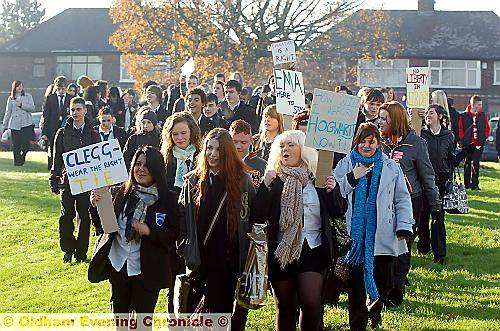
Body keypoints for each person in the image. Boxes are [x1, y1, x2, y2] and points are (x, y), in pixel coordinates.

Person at [251, 130, 347, 331]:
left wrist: (333, 191)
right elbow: (258, 215)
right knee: (285, 306)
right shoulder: (274, 179)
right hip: (282, 251)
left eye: (291, 145)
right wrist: (265, 186)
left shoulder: (318, 179)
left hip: (313, 249)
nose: (285, 149)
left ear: (303, 150)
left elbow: (338, 211)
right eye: (282, 146)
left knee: (311, 303)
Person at [334, 122, 414, 330]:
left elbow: (402, 199)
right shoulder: (345, 164)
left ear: (379, 143)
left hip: (383, 235)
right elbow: (334, 194)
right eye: (363, 141)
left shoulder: (390, 167)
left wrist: (404, 226)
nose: (367, 146)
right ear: (356, 143)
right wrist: (353, 176)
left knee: (381, 282)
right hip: (356, 238)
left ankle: (375, 313)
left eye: (372, 141)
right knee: (356, 286)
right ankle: (357, 324)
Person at [89, 146, 179, 319]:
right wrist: (96, 206)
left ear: (157, 169)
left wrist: (150, 231)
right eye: (138, 164)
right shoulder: (121, 192)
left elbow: (174, 234)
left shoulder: (168, 199)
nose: (141, 169)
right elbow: (104, 227)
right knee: (120, 320)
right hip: (119, 265)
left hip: (147, 271)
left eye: (147, 165)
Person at [177, 128, 254, 330]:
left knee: (220, 317)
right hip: (199, 259)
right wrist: (185, 247)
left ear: (227, 152)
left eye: (218, 150)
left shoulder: (241, 180)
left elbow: (253, 216)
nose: (212, 154)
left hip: (227, 260)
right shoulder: (192, 181)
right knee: (194, 319)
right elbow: (182, 217)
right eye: (209, 148)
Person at [378, 101, 440, 304]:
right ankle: (383, 288)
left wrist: (435, 204)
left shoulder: (416, 143)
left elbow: (427, 175)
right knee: (385, 246)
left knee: (402, 245)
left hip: (410, 201)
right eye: (379, 118)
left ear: (395, 120)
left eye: (384, 118)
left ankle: (398, 288)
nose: (380, 122)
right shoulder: (378, 142)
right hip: (382, 202)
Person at [49, 97, 100, 263]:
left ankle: (81, 252)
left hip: (86, 181)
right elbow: (56, 159)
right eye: (72, 110)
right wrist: (54, 179)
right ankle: (68, 250)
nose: (75, 113)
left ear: (85, 110)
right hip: (67, 181)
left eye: (78, 109)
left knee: (84, 217)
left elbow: (98, 159)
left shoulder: (93, 133)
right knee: (66, 215)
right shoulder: (62, 133)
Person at [160, 111, 201, 313]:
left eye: (183, 133)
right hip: (173, 221)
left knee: (196, 273)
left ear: (191, 132)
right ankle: (173, 316)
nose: (180, 138)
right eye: (175, 134)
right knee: (173, 273)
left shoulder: (202, 155)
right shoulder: (166, 158)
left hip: (196, 221)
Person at [419, 104, 470, 264]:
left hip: (440, 182)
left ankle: (439, 255)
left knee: (438, 218)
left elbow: (453, 160)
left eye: (431, 113)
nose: (428, 115)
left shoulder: (449, 136)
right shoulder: (421, 134)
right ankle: (423, 245)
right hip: (422, 180)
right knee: (422, 216)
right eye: (427, 113)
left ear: (440, 116)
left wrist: (467, 151)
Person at [458, 95, 491, 190]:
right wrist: (463, 139)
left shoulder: (482, 115)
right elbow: (460, 128)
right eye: (478, 104)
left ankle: (475, 184)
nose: (480, 106)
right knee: (467, 163)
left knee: (476, 163)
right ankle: (467, 184)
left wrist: (484, 137)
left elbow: (487, 128)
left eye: (481, 104)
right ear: (473, 104)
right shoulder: (464, 116)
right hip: (468, 144)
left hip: (479, 144)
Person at [41, 76, 72, 170]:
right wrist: (44, 132)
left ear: (66, 88)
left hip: (66, 127)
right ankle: (51, 166)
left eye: (63, 88)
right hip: (52, 127)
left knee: (65, 146)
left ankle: (64, 166)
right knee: (52, 147)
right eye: (59, 88)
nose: (61, 90)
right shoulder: (50, 98)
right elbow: (46, 116)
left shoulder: (71, 98)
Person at [2, 80, 36, 166]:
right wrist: (4, 126)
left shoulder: (28, 96)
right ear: (14, 88)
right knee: (16, 144)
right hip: (15, 124)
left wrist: (22, 105)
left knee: (26, 144)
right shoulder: (11, 98)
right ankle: (17, 162)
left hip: (26, 124)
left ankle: (23, 156)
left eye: (21, 86)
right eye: (18, 86)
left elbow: (32, 108)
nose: (20, 88)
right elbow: (8, 112)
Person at [229, 119, 267, 187]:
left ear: (251, 141)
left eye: (243, 143)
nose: (238, 146)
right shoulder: (222, 161)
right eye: (234, 142)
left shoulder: (262, 166)